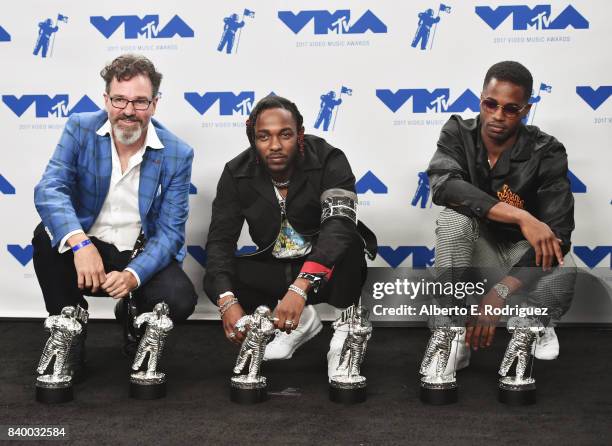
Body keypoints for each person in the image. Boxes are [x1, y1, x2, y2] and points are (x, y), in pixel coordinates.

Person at [32, 54, 197, 376]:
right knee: (46, 236)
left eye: (140, 102)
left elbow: (170, 233)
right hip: (87, 245)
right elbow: (49, 188)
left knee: (179, 299)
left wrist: (133, 275)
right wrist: (79, 243)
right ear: (106, 99)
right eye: (119, 100)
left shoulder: (178, 152)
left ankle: (134, 316)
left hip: (138, 251)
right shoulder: (80, 128)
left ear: (155, 103)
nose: (129, 111)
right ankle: (69, 328)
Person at [204, 95, 376, 380]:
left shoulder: (329, 159)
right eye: (264, 136)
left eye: (285, 134)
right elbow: (220, 241)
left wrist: (300, 288)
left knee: (349, 246)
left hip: (323, 269)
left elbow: (339, 225)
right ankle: (302, 321)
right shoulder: (237, 173)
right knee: (220, 275)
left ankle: (345, 334)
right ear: (253, 139)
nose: (274, 145)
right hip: (277, 267)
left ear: (299, 135)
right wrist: (227, 302)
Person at [426, 61, 576, 373]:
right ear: (481, 98)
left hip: (521, 257)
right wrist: (523, 217)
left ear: (525, 109)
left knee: (564, 266)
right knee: (454, 220)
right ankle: (452, 333)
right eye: (490, 104)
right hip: (475, 252)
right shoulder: (458, 132)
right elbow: (445, 186)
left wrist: (500, 291)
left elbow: (559, 232)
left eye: (511, 108)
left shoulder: (546, 150)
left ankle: (532, 322)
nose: (497, 115)